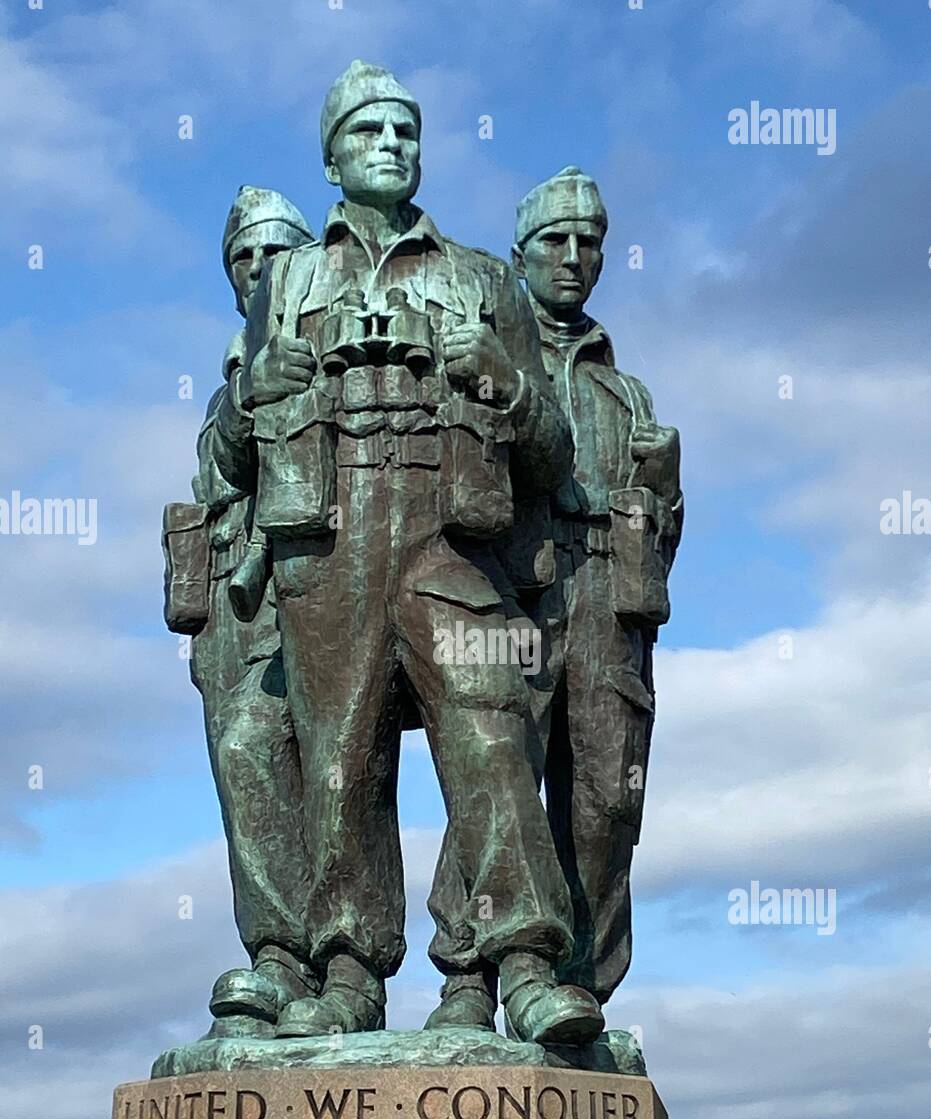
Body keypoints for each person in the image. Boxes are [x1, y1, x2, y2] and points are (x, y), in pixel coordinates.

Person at [221, 64, 605, 1044]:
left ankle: (522, 964)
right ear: (332, 155)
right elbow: (230, 456)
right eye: (368, 132)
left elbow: (556, 449)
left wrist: (508, 387)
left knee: (489, 738)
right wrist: (255, 386)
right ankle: (347, 974)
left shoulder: (480, 276)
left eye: (405, 129)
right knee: (340, 769)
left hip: (448, 543)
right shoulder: (289, 280)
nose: (390, 144)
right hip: (329, 546)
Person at [426, 168, 683, 1028]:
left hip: (612, 594)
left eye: (590, 242)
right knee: (497, 767)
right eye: (555, 241)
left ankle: (575, 983)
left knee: (609, 797)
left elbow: (668, 535)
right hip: (518, 582)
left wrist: (666, 491)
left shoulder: (625, 390)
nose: (574, 257)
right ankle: (469, 972)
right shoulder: (485, 357)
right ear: (519, 256)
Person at [163, 186, 319, 1036]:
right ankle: (279, 961)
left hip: (330, 580)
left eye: (271, 252)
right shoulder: (234, 368)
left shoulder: (333, 343)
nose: (256, 270)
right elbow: (214, 475)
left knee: (315, 764)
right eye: (241, 258)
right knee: (247, 764)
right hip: (235, 602)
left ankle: (340, 963)